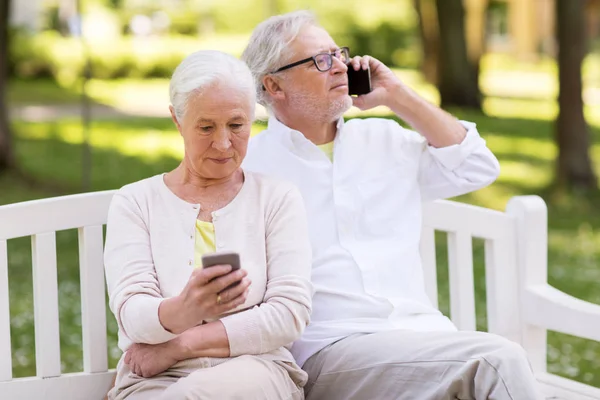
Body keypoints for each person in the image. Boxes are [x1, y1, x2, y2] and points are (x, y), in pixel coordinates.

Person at [241, 10, 543, 400]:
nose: (339, 67)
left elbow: (477, 168)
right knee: (496, 361)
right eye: (320, 60)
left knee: (485, 370)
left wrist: (397, 96)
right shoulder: (249, 166)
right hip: (330, 351)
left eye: (339, 54)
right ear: (274, 86)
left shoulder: (386, 140)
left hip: (427, 340)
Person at [103, 50, 312, 400]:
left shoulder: (277, 198)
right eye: (205, 127)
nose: (223, 143)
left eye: (236, 125)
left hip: (254, 371)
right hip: (153, 378)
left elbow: (289, 314)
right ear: (176, 120)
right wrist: (185, 308)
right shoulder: (135, 202)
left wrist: (177, 346)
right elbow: (131, 314)